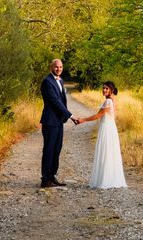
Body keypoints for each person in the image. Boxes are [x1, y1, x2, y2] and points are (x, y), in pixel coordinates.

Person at [77, 81, 127, 189]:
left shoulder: (108, 101)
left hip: (107, 128)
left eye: (107, 88)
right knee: (109, 152)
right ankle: (110, 178)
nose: (104, 90)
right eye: (103, 88)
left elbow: (98, 115)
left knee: (106, 152)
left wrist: (83, 120)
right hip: (110, 127)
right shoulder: (113, 99)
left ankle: (105, 180)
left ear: (111, 90)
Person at [39, 59, 78, 188]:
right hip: (50, 121)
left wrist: (64, 117)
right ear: (51, 67)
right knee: (49, 150)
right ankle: (45, 180)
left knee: (57, 149)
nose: (59, 69)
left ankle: (52, 176)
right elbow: (55, 101)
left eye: (61, 67)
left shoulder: (60, 80)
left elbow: (62, 100)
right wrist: (71, 116)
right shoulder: (47, 82)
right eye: (56, 67)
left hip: (58, 121)